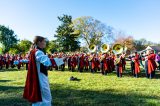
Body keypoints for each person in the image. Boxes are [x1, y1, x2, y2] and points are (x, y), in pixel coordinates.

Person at [23, 36, 52, 106]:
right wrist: (60, 60)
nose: (45, 43)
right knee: (45, 95)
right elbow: (47, 62)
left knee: (40, 95)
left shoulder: (33, 51)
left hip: (38, 75)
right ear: (39, 42)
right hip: (40, 76)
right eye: (44, 41)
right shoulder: (38, 52)